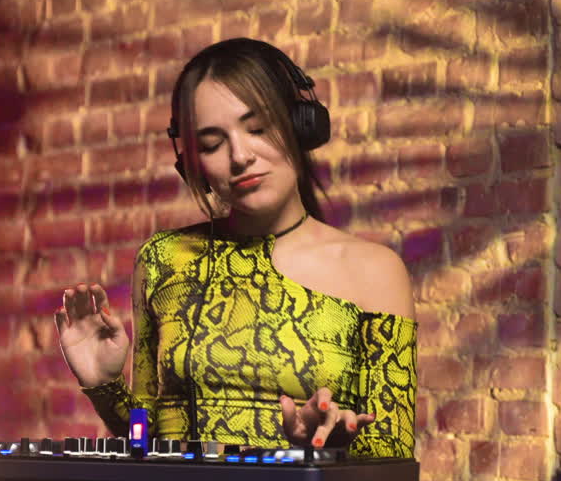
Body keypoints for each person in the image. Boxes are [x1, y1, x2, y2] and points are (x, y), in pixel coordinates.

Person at [55, 38, 417, 456]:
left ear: (301, 125)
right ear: (192, 164)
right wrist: (104, 386)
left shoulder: (375, 271)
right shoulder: (163, 260)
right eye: (212, 145)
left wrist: (323, 451)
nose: (240, 156)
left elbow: (394, 455)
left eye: (258, 128)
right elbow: (148, 443)